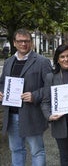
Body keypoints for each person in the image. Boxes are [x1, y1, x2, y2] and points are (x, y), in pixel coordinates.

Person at [0, 28, 52, 166]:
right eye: (20, 41)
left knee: (37, 151)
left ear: (31, 43)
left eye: (27, 41)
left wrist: (35, 95)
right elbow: (2, 83)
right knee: (16, 150)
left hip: (32, 114)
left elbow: (51, 87)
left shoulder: (42, 62)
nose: (24, 44)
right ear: (14, 43)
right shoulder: (8, 61)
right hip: (12, 115)